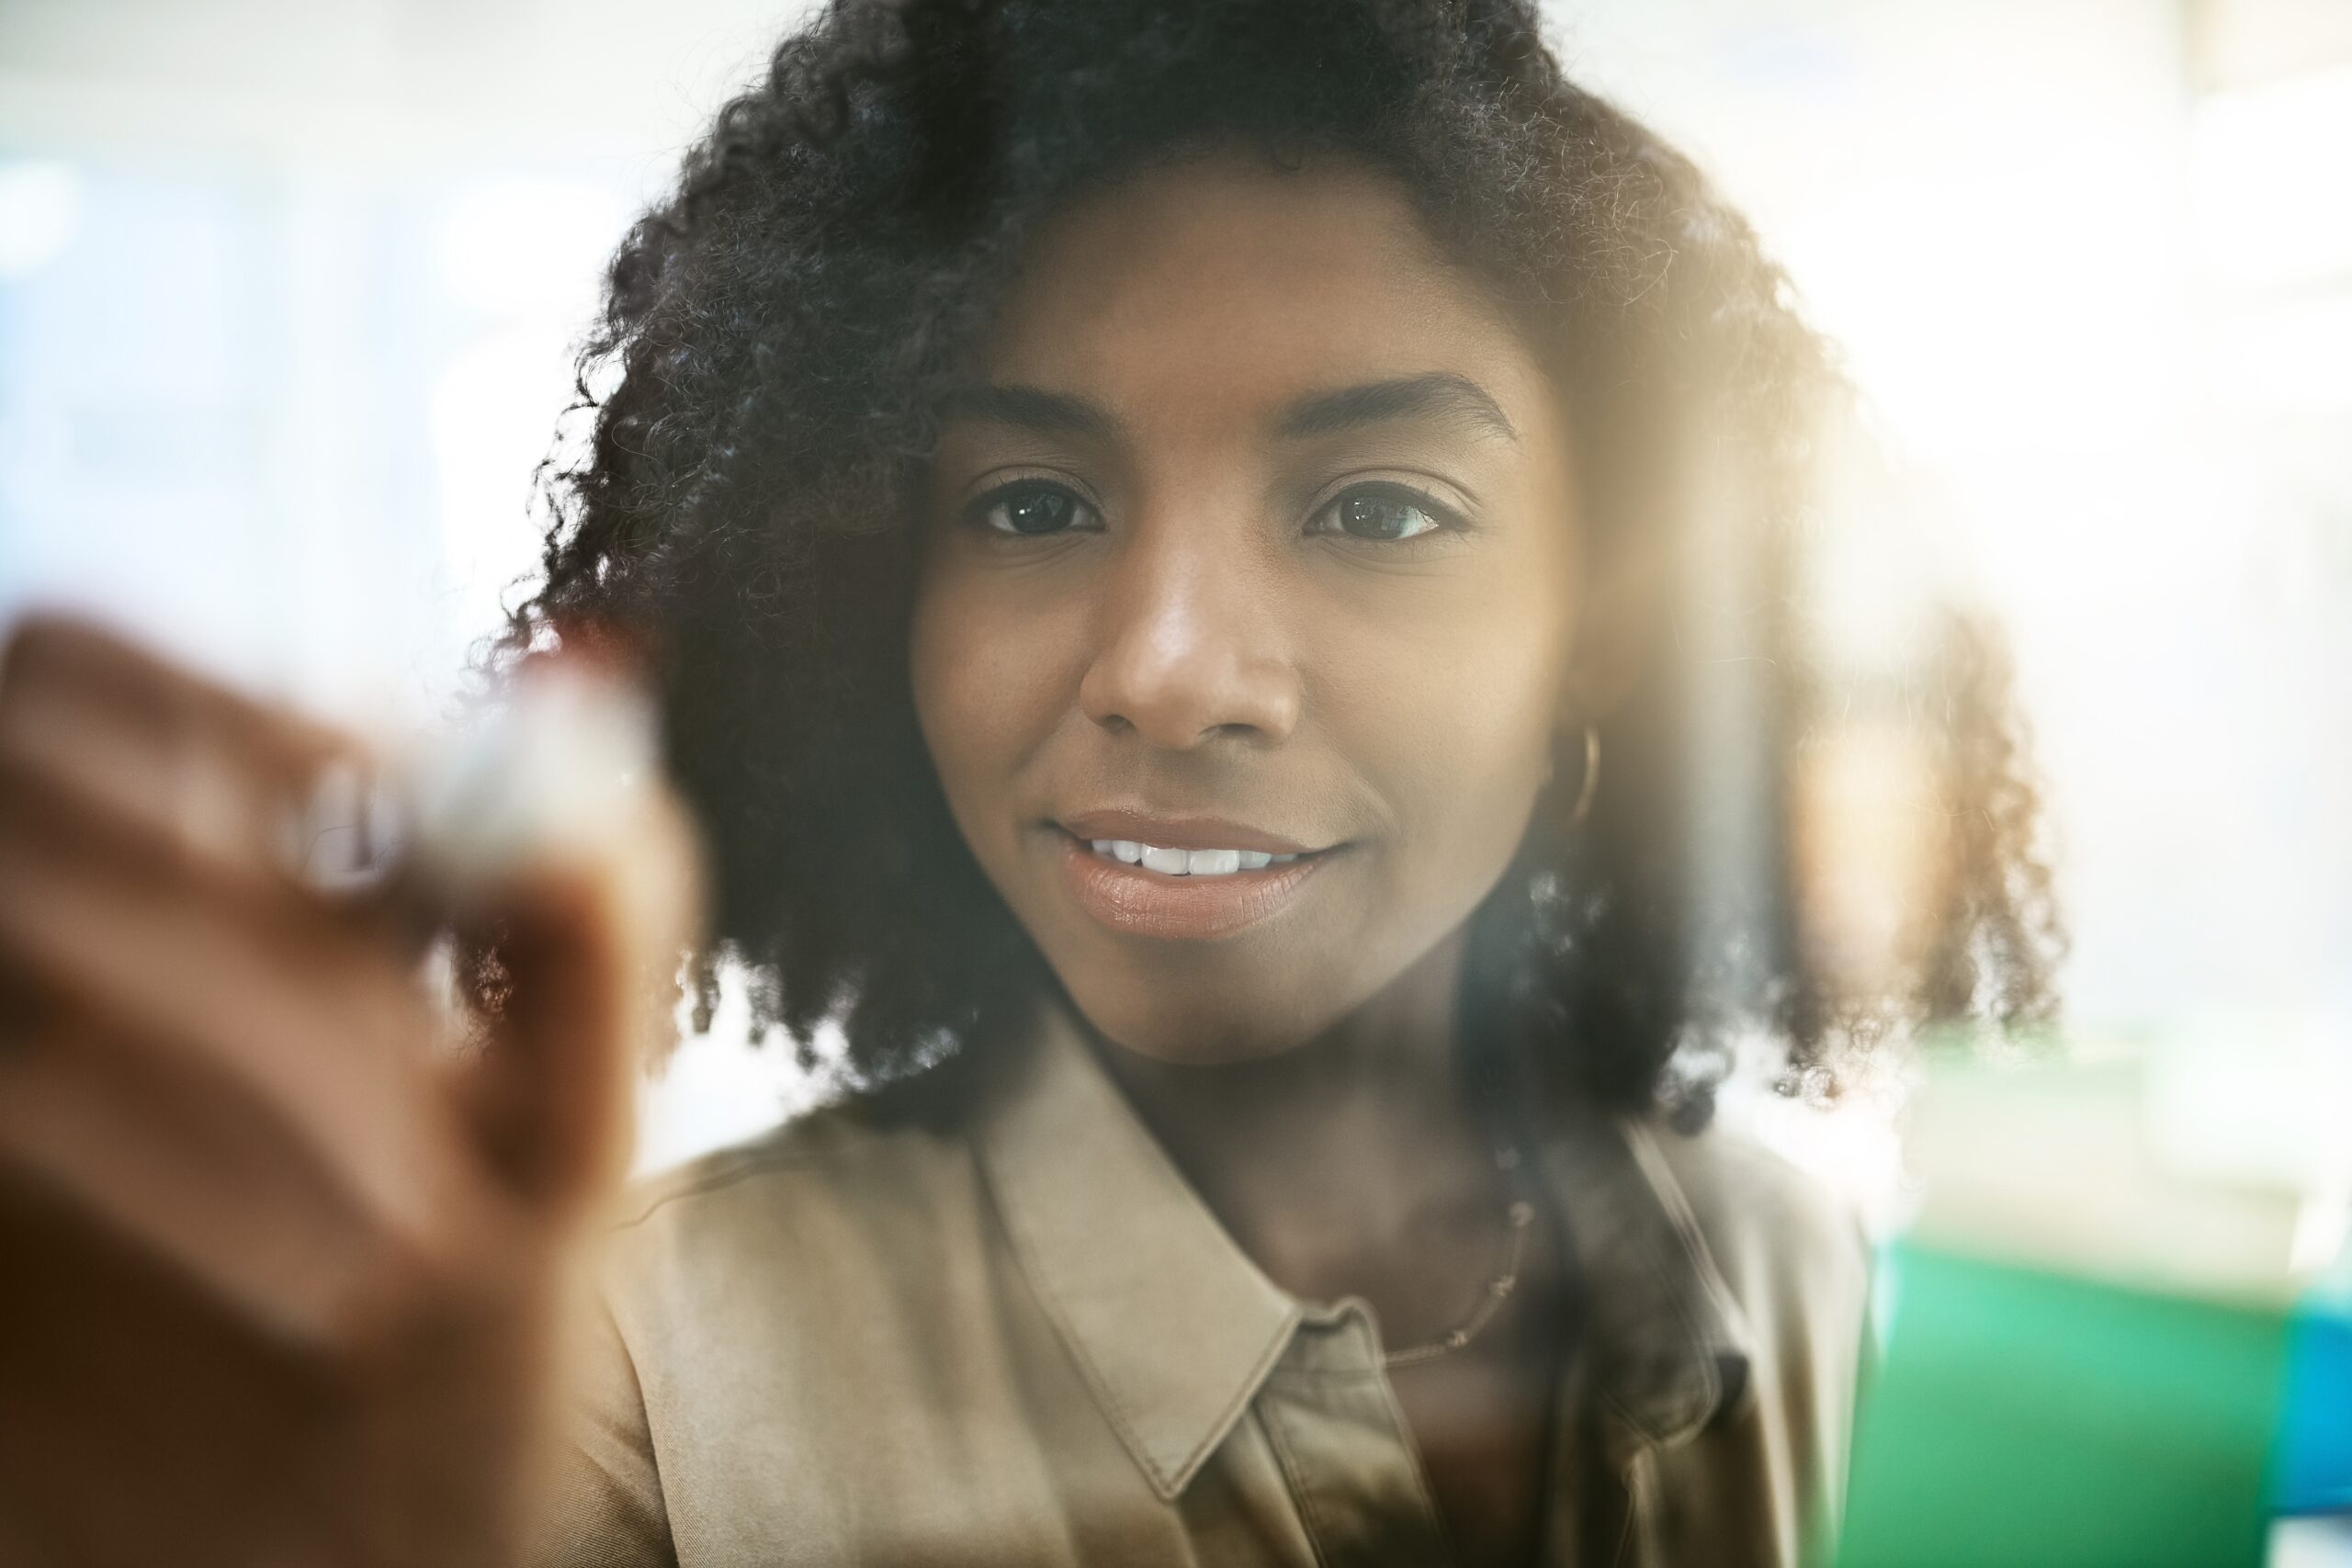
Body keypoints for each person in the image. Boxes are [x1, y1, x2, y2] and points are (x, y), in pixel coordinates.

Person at [0, 1, 2064, 1563]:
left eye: (1374, 506)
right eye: (1030, 499)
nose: (1165, 669)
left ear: (1606, 625)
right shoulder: (621, 1381)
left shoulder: (1779, 1272)